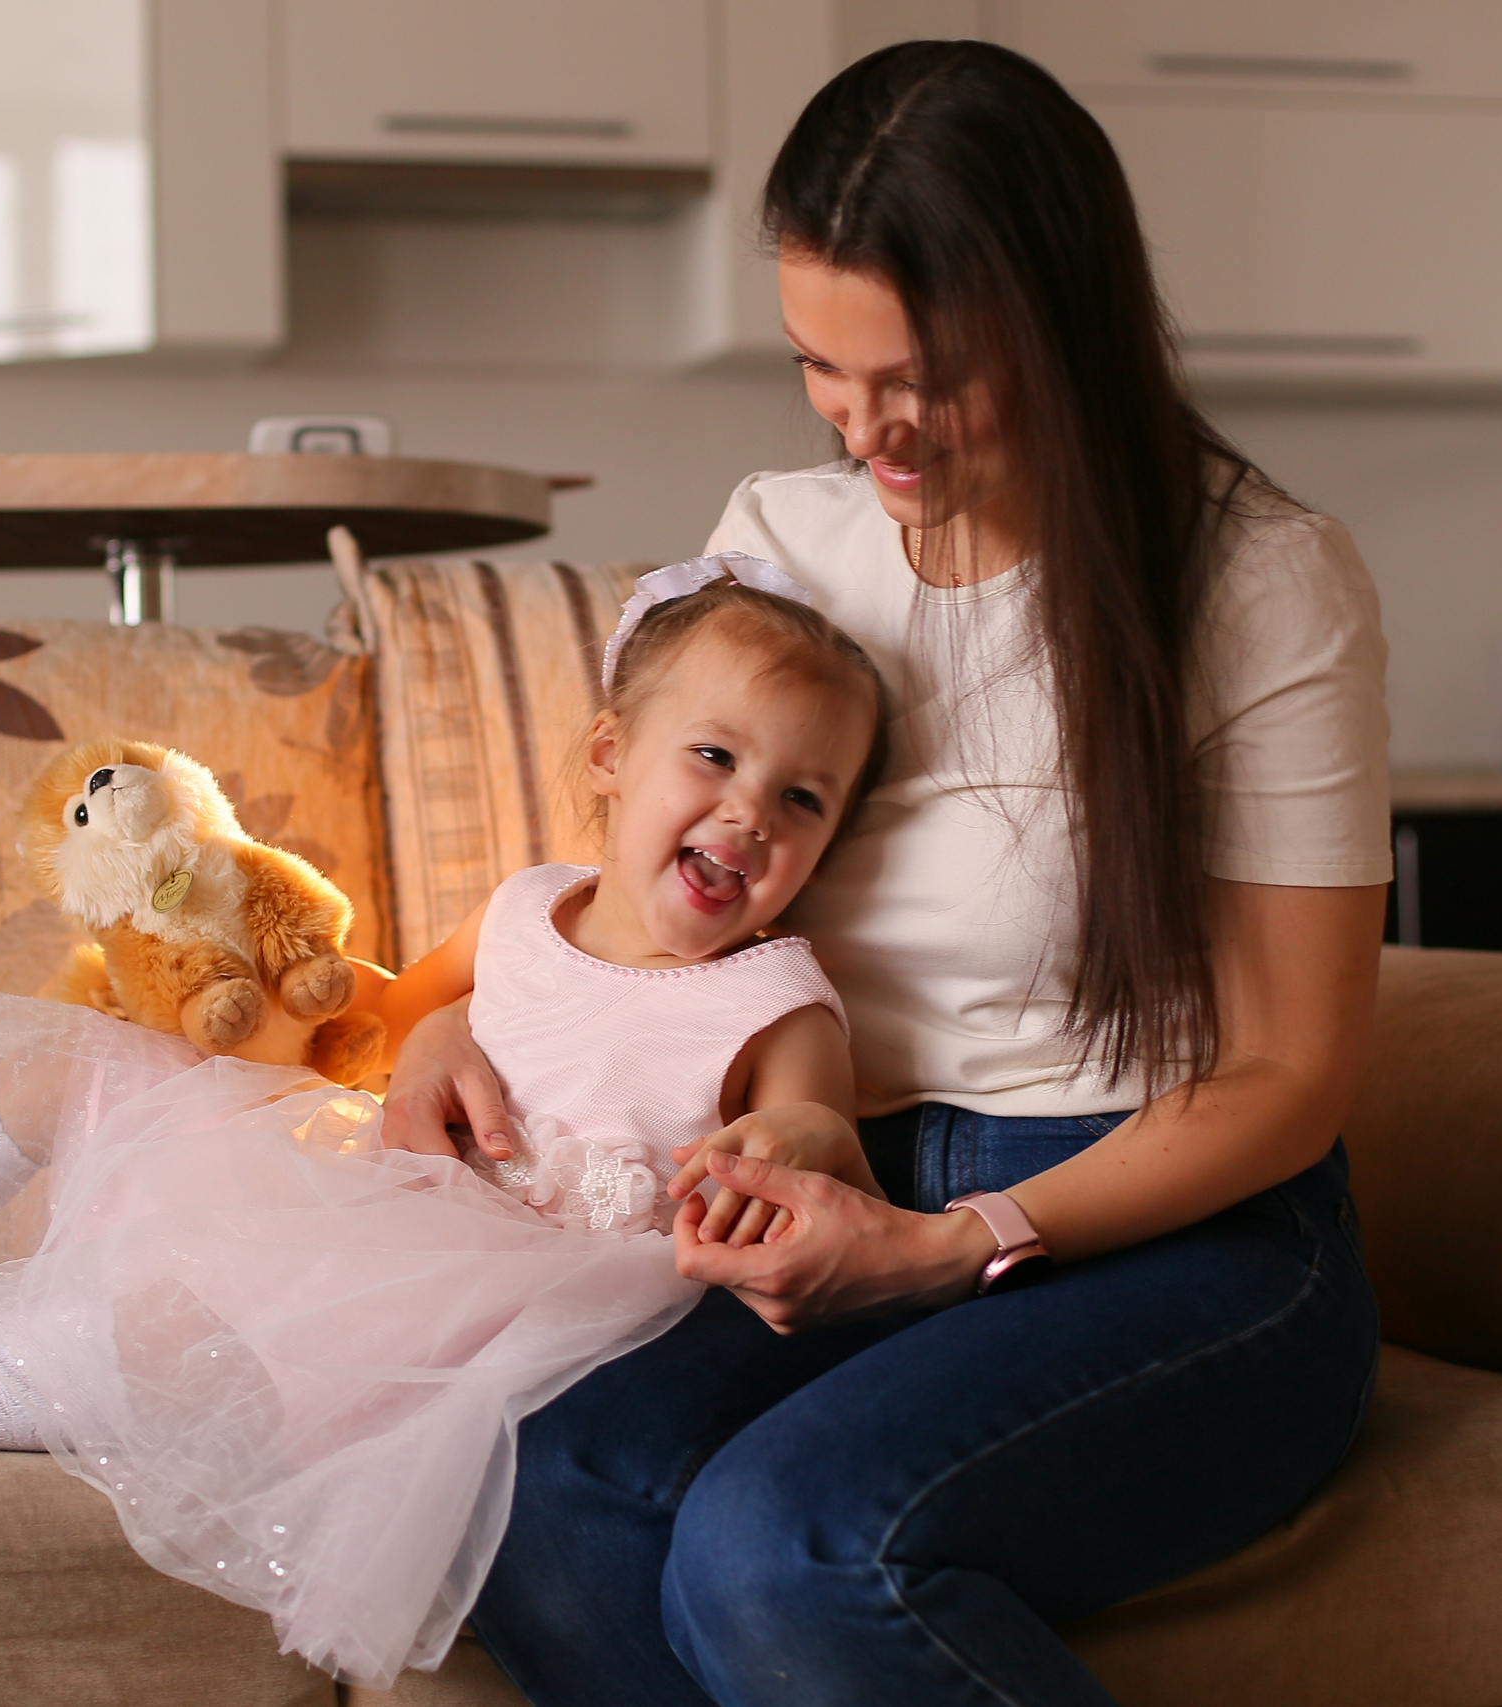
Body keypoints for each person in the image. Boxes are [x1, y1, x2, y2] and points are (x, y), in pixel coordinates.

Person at [382, 41, 1392, 1707]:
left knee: (786, 1543)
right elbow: (652, 876)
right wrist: (453, 1026)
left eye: (921, 375)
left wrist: (956, 1241)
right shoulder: (787, 539)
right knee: (540, 1481)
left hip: (1177, 1232)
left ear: (1059, 316)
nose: (872, 431)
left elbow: (1290, 1071)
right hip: (847, 1180)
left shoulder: (1261, 581)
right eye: (822, 371)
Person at [0, 567, 892, 1691]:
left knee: (151, 1347)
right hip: (383, 1187)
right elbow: (375, 1029)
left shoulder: (772, 995)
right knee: (72, 1064)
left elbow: (822, 1132)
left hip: (503, 1303)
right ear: (612, 756)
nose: (746, 813)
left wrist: (781, 1153)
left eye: (802, 798)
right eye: (714, 758)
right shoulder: (533, 906)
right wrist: (430, 1035)